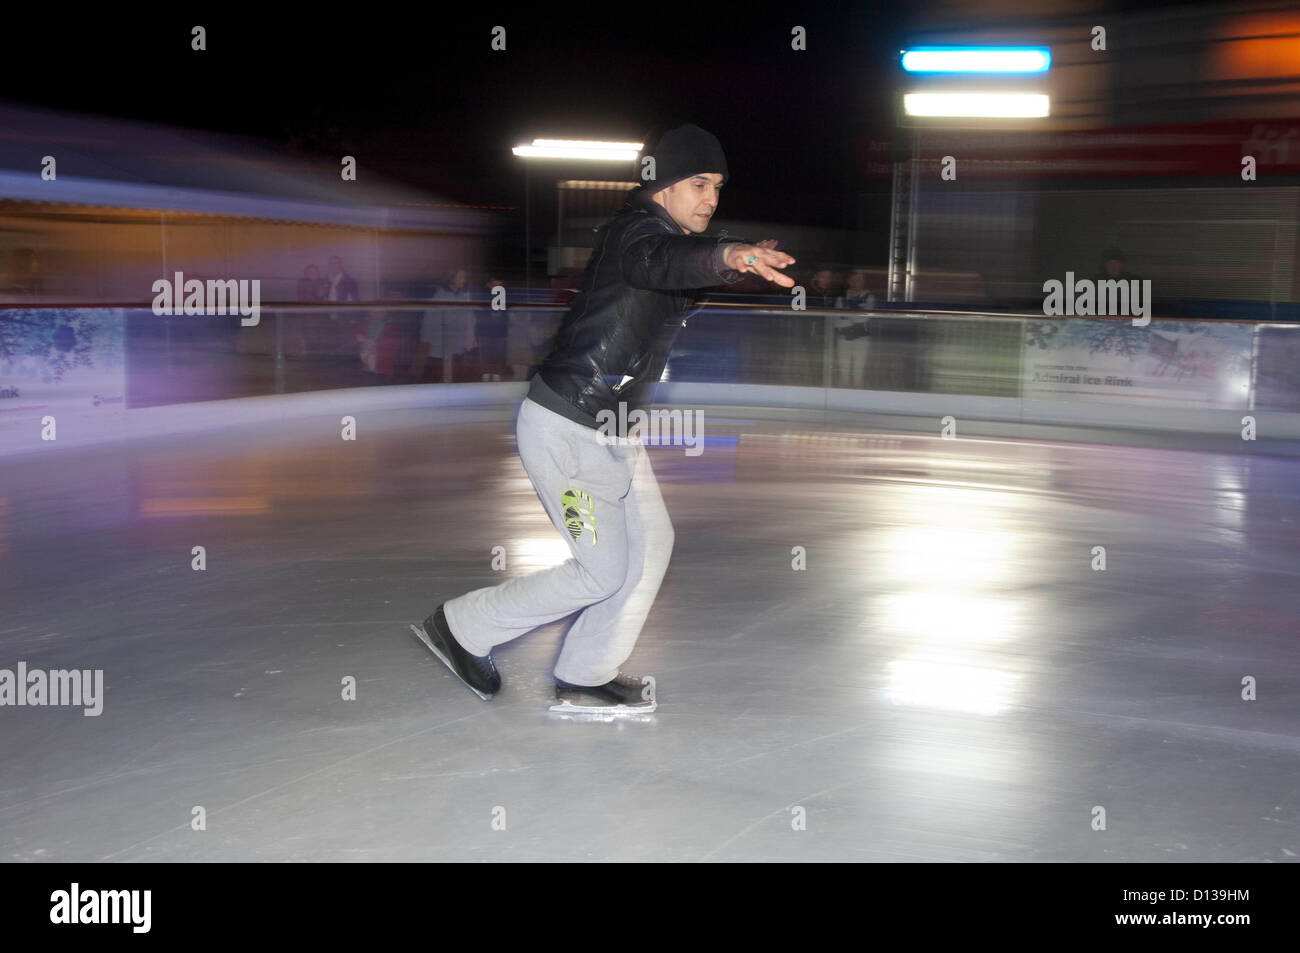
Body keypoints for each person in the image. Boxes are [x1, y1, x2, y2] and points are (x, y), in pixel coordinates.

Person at [411, 123, 795, 713]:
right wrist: (728, 254)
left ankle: (586, 672)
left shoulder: (668, 240)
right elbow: (666, 261)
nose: (711, 197)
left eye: (717, 185)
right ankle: (460, 628)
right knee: (601, 571)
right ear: (663, 187)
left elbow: (687, 263)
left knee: (650, 545)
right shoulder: (636, 236)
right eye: (698, 183)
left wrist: (731, 256)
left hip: (611, 429)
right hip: (568, 428)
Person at [833, 268, 874, 388]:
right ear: (848, 281)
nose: (856, 282)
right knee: (843, 367)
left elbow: (864, 319)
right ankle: (844, 391)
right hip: (843, 337)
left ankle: (857, 391)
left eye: (859, 280)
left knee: (859, 367)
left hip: (861, 338)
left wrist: (847, 316)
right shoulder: (841, 297)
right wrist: (855, 316)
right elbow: (836, 320)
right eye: (853, 280)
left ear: (863, 282)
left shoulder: (869, 297)